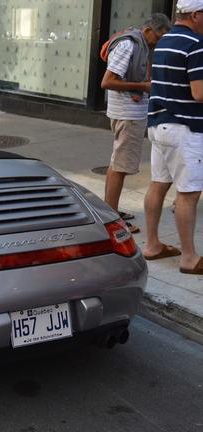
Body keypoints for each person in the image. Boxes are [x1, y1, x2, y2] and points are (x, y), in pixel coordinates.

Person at [143, 0, 203, 275]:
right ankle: (189, 257)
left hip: (159, 125)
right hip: (185, 128)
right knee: (188, 195)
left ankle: (152, 245)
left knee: (158, 185)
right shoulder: (196, 44)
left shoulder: (164, 41)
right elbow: (199, 93)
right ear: (195, 15)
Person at [101, 13, 172, 234]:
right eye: (158, 37)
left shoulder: (139, 44)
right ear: (149, 30)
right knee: (120, 167)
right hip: (127, 113)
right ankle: (112, 219)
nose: (158, 42)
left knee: (117, 164)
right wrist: (145, 87)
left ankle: (111, 210)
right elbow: (108, 82)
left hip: (129, 112)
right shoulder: (129, 45)